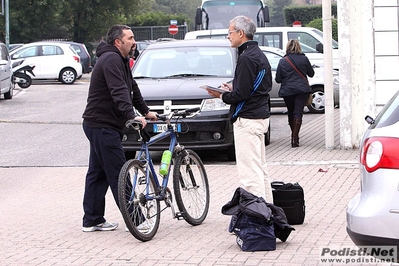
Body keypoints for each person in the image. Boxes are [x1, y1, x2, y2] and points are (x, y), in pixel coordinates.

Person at [81, 25, 157, 232]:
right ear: (118, 42)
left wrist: (146, 111)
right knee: (118, 172)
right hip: (102, 125)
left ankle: (92, 219)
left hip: (99, 125)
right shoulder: (111, 60)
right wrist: (132, 116)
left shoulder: (120, 59)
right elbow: (119, 91)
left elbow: (132, 87)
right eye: (130, 38)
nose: (134, 42)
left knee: (98, 173)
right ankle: (137, 221)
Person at [206, 15, 273, 203]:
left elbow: (242, 95)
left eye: (230, 32)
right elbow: (253, 88)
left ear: (241, 33)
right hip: (259, 116)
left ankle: (257, 218)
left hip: (247, 120)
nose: (228, 36)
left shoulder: (246, 58)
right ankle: (267, 210)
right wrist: (233, 88)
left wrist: (221, 95)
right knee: (260, 168)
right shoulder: (258, 55)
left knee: (249, 173)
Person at [275, 39, 315, 148]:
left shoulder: (283, 61)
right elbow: (311, 74)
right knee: (298, 113)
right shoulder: (304, 59)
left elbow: (278, 79)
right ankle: (295, 138)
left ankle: (293, 134)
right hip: (302, 90)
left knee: (291, 112)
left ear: (287, 47)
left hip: (287, 91)